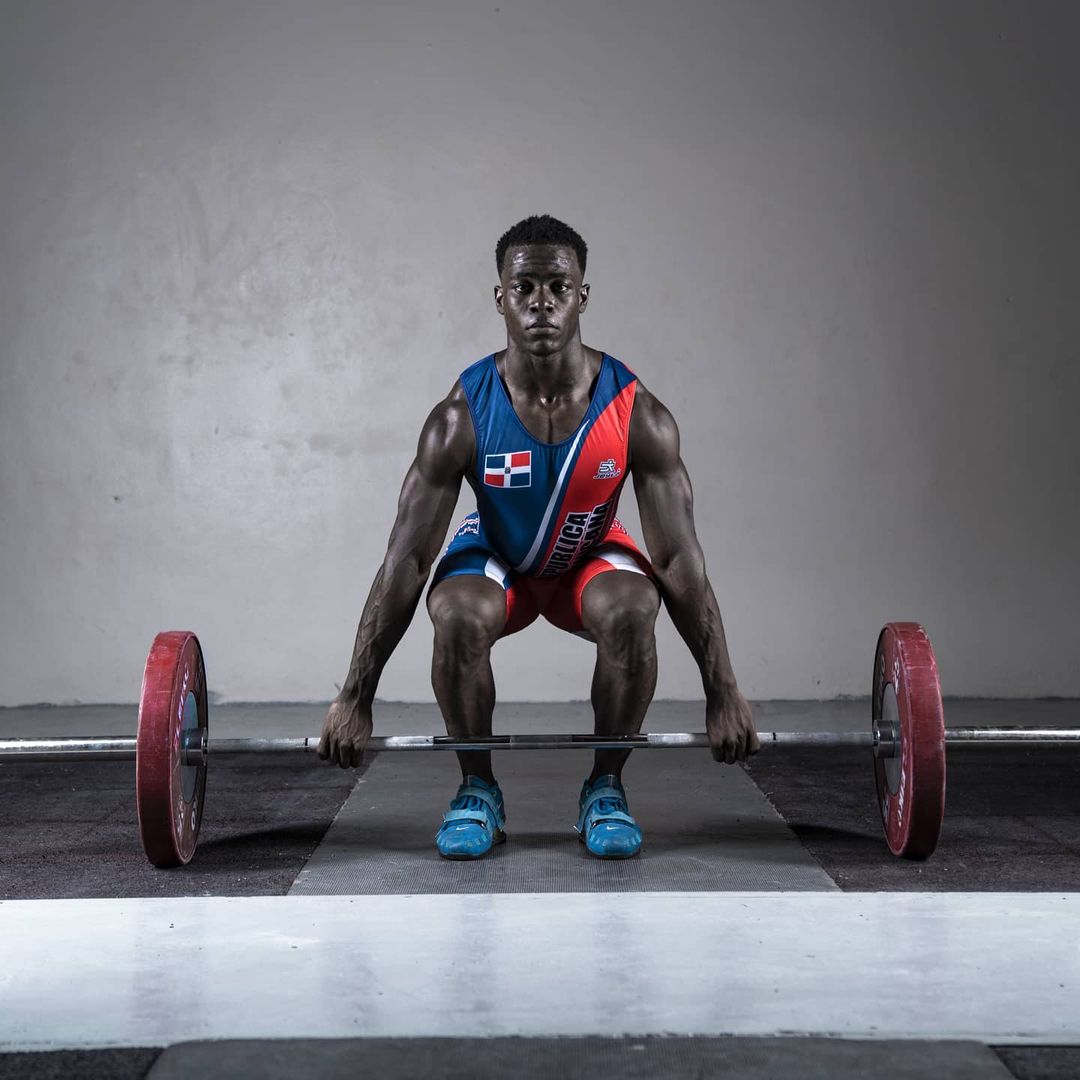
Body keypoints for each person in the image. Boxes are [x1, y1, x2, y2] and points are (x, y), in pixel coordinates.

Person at [318, 214, 759, 860]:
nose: (542, 303)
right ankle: (478, 792)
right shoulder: (461, 417)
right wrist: (355, 696)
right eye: (524, 288)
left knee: (637, 610)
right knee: (459, 616)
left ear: (583, 295)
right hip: (499, 556)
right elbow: (409, 561)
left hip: (589, 558)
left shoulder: (637, 413)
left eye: (558, 286)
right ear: (501, 297)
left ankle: (605, 789)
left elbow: (678, 560)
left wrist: (723, 691)